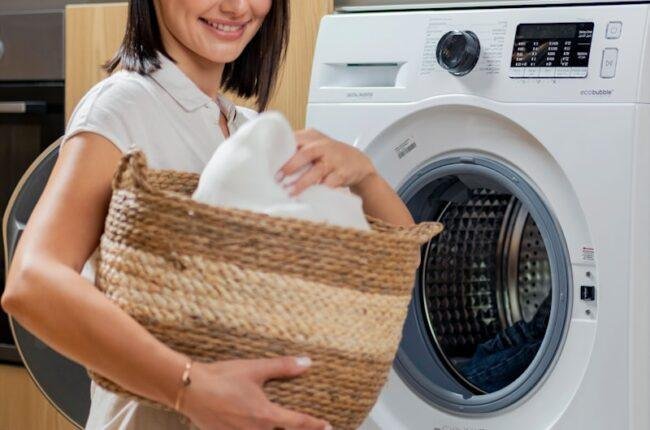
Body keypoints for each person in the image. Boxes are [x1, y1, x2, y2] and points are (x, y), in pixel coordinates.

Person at [0, 1, 415, 429]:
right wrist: (190, 387)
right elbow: (32, 281)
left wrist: (365, 175)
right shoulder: (124, 106)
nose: (237, 7)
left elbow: (398, 262)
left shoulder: (249, 132)